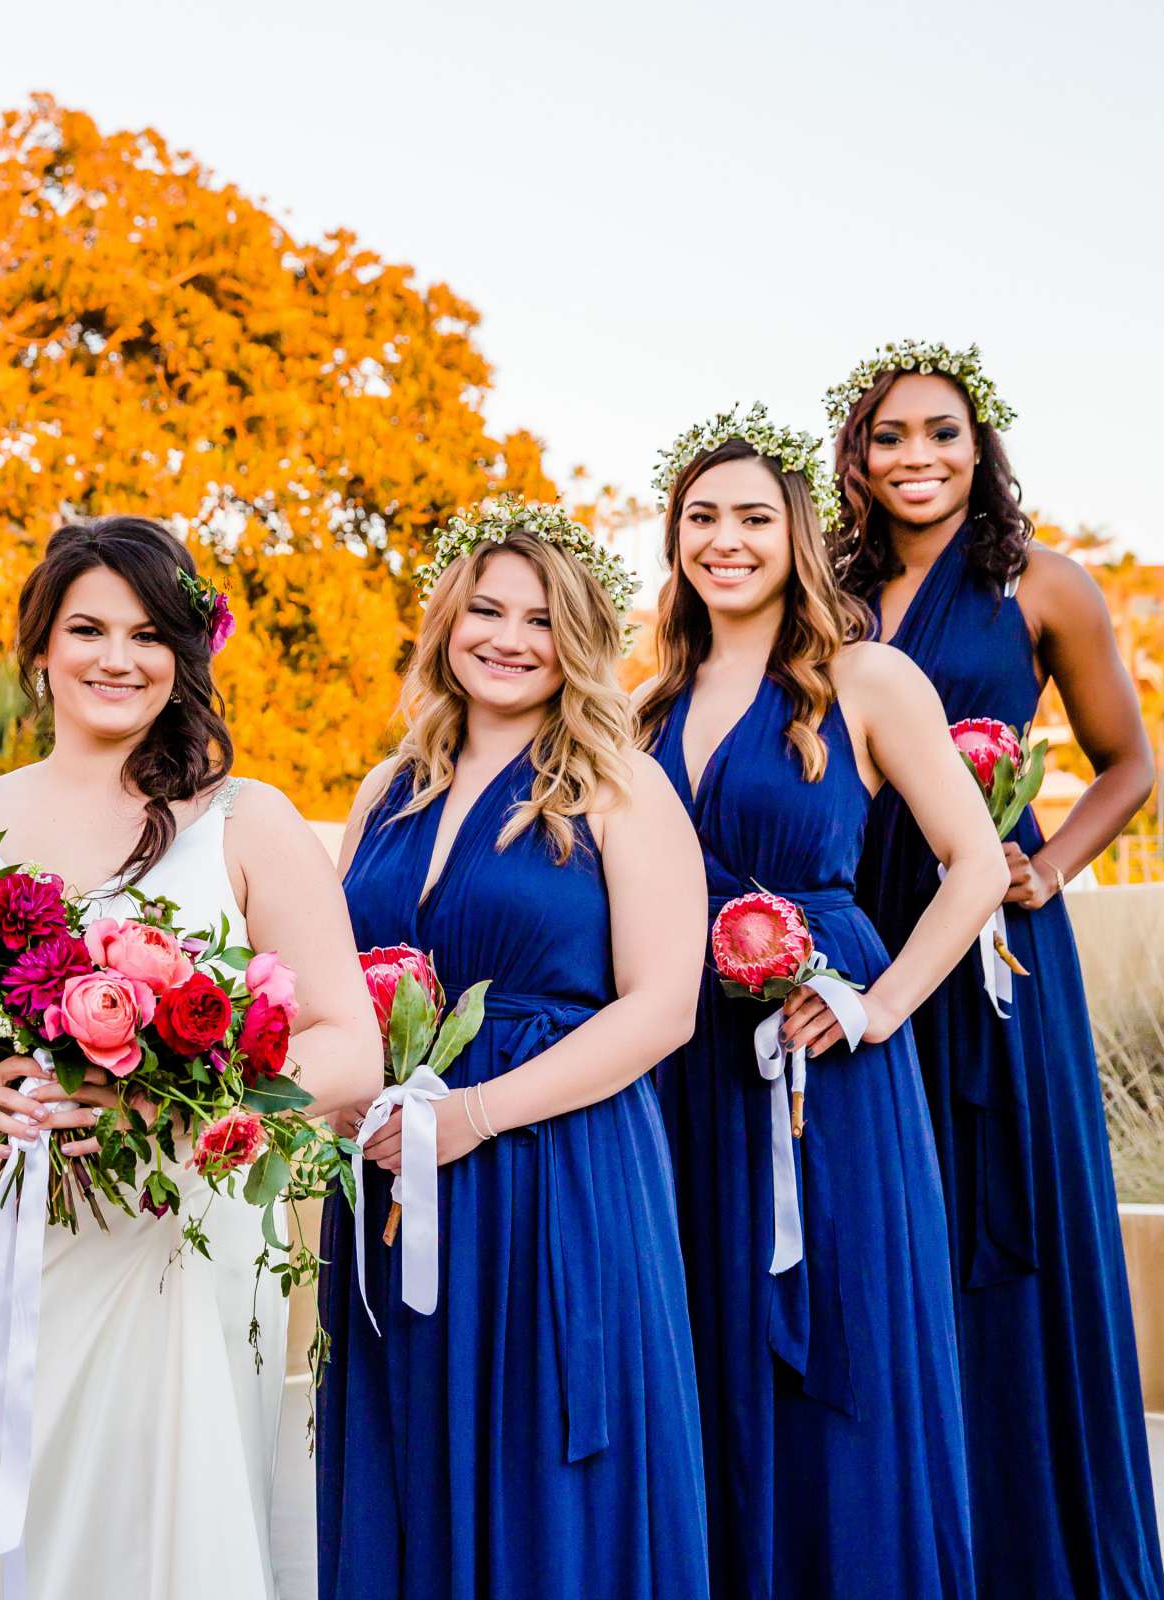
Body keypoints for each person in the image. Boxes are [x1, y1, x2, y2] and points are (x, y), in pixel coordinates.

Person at [0, 515, 380, 1599]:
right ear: (40, 650)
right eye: (89, 629)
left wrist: (188, 1113)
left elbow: (348, 1045)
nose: (119, 658)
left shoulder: (244, 821)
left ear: (185, 655)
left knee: (168, 1529)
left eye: (150, 633)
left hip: (174, 1235)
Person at [635, 407, 1007, 1599]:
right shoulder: (645, 703)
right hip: (684, 1060)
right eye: (702, 518)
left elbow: (979, 865)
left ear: (796, 534)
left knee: (839, 1341)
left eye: (753, 516)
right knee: (704, 1334)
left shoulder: (865, 676)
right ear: (675, 539)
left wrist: (878, 1005)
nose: (726, 540)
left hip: (824, 1053)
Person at [316, 498, 709, 1600]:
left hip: (554, 1171)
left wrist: (476, 1115)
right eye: (484, 609)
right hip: (395, 1172)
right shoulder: (383, 790)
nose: (508, 636)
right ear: (445, 620)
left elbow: (663, 1005)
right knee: (408, 1449)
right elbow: (339, 976)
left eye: (541, 619)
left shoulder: (624, 786)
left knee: (542, 1459)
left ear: (576, 639)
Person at [830, 342, 1164, 1597]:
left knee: (1006, 1228)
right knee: (882, 1217)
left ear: (982, 448)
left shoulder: (1044, 586)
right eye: (890, 437)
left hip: (996, 947)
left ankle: (1034, 1542)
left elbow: (1125, 760)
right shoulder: (829, 600)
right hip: (860, 936)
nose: (917, 457)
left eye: (942, 433)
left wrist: (1051, 862)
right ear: (855, 460)